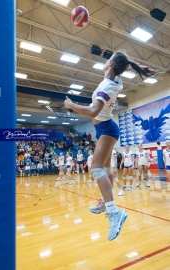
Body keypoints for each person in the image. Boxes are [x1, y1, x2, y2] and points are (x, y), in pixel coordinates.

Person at [64, 49, 155, 241]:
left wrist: (71, 106)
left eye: (109, 59)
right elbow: (123, 65)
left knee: (95, 169)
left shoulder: (108, 85)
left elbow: (92, 110)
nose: (107, 61)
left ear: (111, 64)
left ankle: (114, 212)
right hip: (104, 129)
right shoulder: (116, 80)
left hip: (106, 128)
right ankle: (106, 203)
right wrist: (136, 66)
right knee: (105, 169)